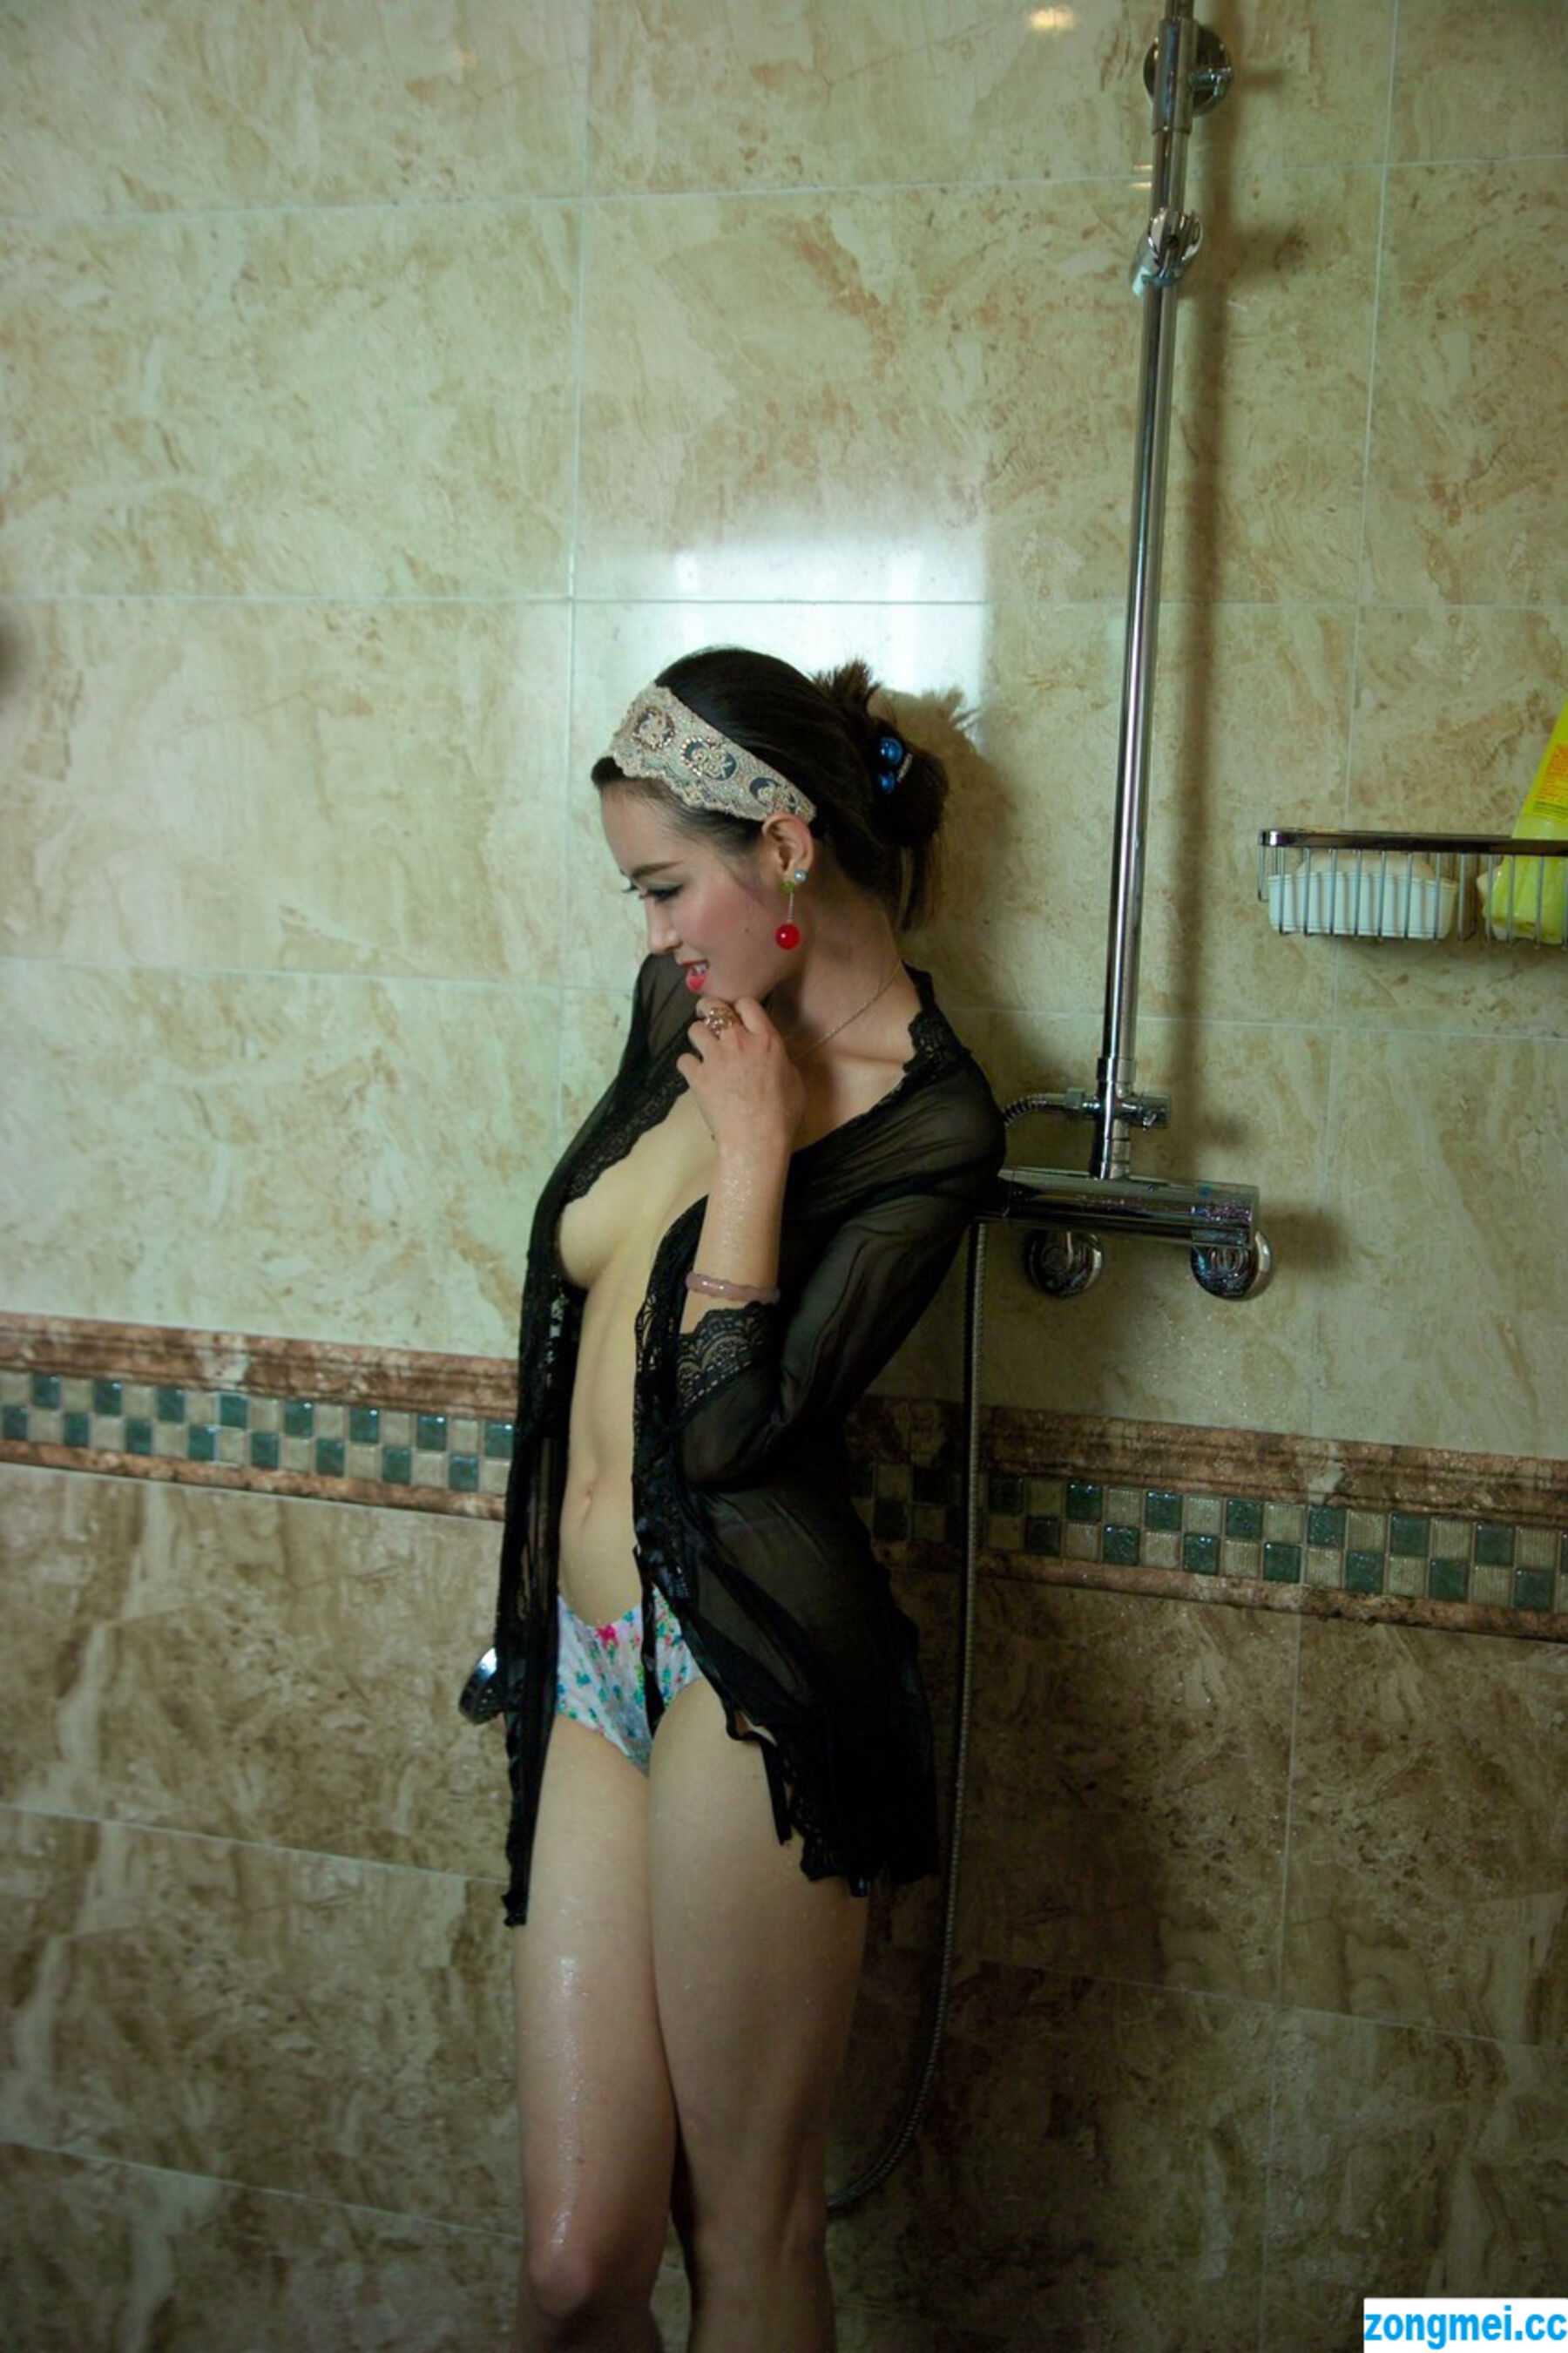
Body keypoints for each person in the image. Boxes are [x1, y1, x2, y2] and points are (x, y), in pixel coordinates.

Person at [463, 646, 1007, 2352]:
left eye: (662, 885)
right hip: (592, 1655)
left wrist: (763, 1150)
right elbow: (587, 1269)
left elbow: (727, 1434)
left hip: (754, 1671)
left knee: (747, 2234)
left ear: (781, 844)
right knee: (575, 2267)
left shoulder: (931, 1117)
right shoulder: (684, 1010)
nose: (651, 930)